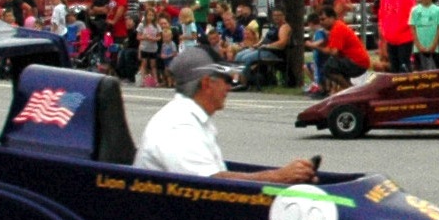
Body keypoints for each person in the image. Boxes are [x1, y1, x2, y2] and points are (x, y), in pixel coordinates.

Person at [132, 46, 318, 183]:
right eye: (226, 79)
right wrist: (279, 177)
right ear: (206, 83)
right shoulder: (178, 127)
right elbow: (211, 184)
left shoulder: (194, 119)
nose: (230, 86)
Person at [312, 5, 370, 94]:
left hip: (357, 62)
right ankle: (350, 91)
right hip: (356, 61)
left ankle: (350, 90)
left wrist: (315, 47)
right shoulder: (337, 27)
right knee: (336, 65)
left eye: (323, 19)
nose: (321, 23)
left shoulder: (337, 28)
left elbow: (333, 52)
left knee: (329, 67)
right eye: (320, 20)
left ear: (331, 18)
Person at [376, 0, 416, 73]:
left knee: (404, 67)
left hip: (404, 39)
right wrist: (382, 30)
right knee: (393, 69)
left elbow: (412, 18)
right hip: (390, 40)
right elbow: (381, 15)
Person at [408, 0, 439, 71]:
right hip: (418, 48)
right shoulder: (415, 10)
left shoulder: (438, 10)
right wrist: (418, 45)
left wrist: (434, 45)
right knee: (420, 72)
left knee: (433, 71)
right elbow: (412, 28)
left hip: (433, 48)